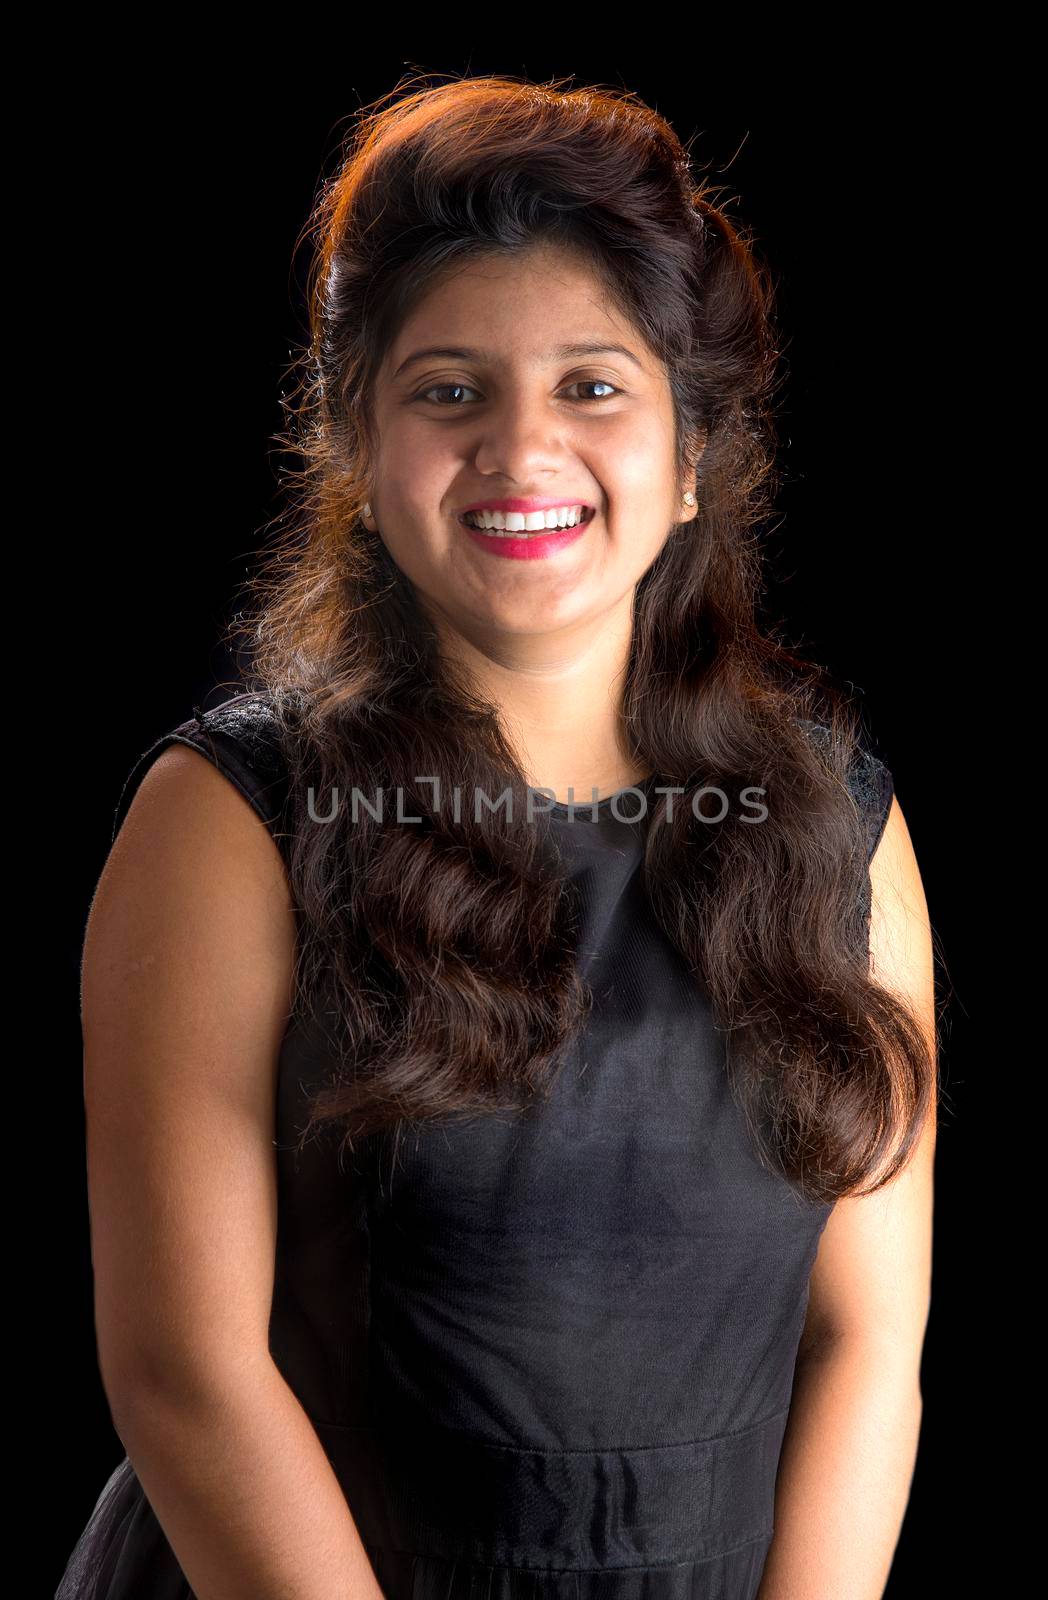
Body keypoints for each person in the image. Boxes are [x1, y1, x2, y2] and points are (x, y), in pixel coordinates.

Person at [59, 73, 937, 1600]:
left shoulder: (832, 816)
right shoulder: (233, 818)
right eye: (449, 390)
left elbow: (869, 1346)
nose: (522, 451)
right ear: (359, 441)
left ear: (692, 458)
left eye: (593, 386)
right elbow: (186, 1377)